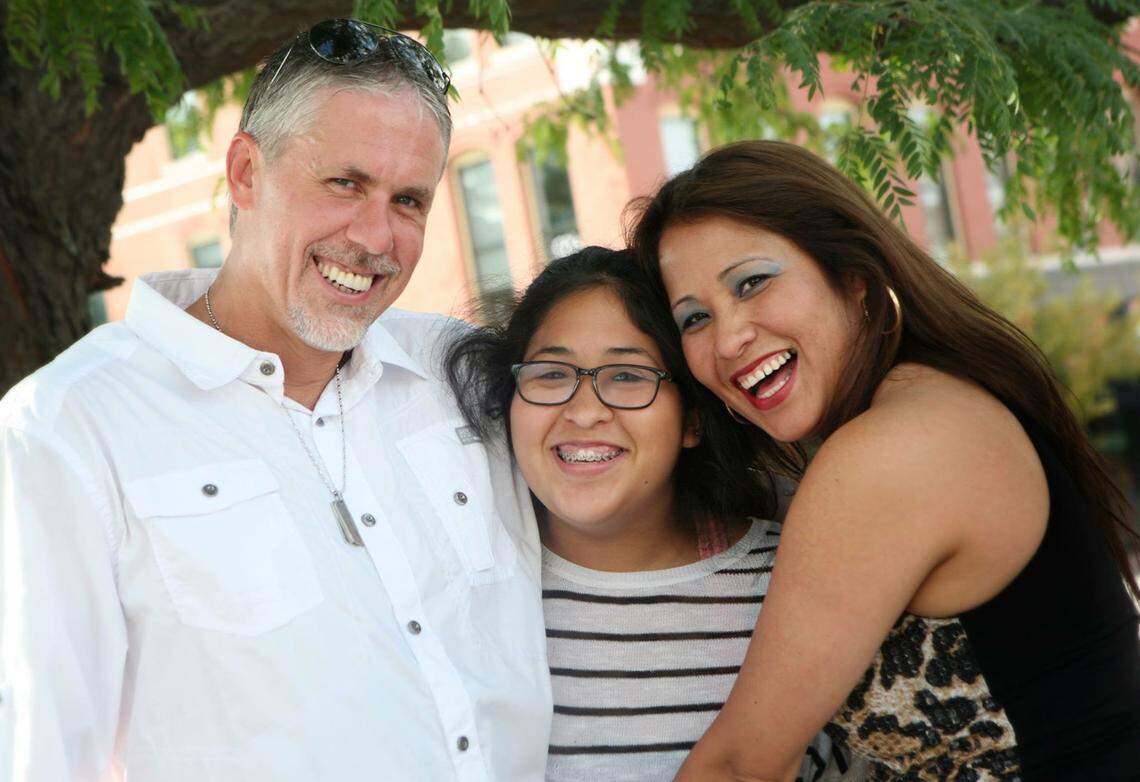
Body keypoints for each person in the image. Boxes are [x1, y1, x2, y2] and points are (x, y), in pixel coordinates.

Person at [0, 19, 550, 781]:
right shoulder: (68, 429)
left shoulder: (462, 373)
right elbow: (46, 756)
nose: (376, 236)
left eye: (410, 201)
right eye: (345, 183)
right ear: (246, 173)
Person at [628, 139, 1140, 781]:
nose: (729, 338)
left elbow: (738, 768)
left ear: (856, 280)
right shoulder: (940, 400)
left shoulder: (891, 453)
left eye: (753, 282)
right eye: (695, 317)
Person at [444, 246, 857, 781]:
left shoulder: (798, 582)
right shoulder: (462, 592)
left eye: (628, 377)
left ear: (693, 420)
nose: (585, 410)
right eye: (550, 374)